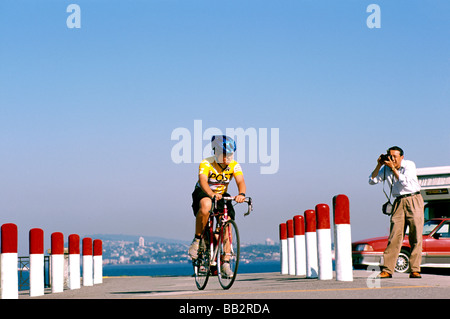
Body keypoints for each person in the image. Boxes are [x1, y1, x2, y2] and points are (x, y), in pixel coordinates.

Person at [189, 135, 247, 277]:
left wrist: (242, 194)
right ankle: (197, 240)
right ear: (216, 152)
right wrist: (210, 193)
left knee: (226, 222)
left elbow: (240, 181)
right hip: (203, 192)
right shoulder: (206, 163)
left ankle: (226, 261)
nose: (228, 158)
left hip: (222, 195)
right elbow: (202, 181)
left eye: (231, 154)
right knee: (207, 204)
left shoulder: (234, 165)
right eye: (224, 155)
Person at [369, 146, 424, 278]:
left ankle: (415, 269)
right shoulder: (385, 168)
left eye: (394, 156)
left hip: (413, 198)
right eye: (390, 156)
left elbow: (405, 182)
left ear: (401, 157)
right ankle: (387, 269)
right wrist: (379, 165)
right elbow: (372, 181)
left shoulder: (409, 165)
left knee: (415, 235)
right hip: (398, 201)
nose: (392, 159)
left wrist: (393, 169)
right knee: (394, 236)